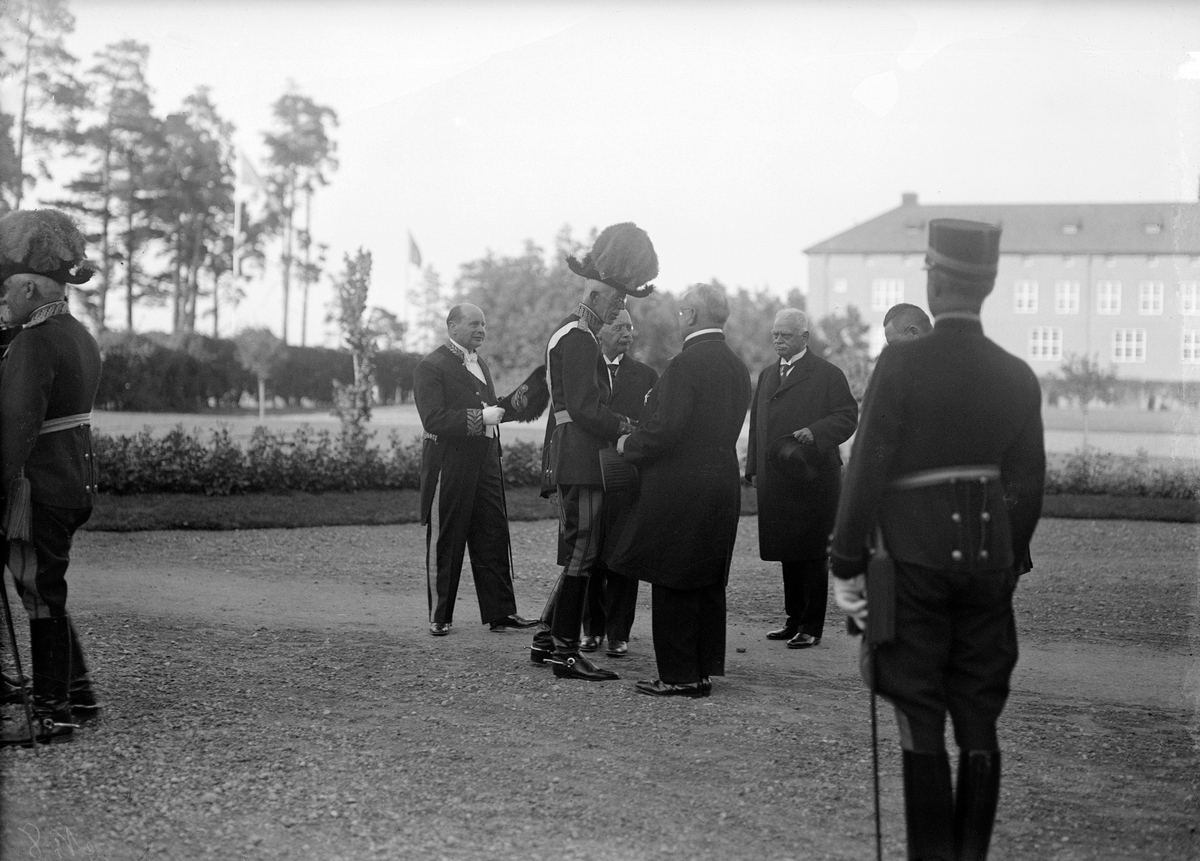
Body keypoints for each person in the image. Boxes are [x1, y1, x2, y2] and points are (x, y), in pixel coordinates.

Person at [829, 218, 1046, 861]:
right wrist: (1004, 564)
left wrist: (845, 563)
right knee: (979, 715)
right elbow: (1027, 490)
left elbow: (865, 467)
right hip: (989, 568)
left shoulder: (901, 363)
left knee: (918, 712)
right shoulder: (1017, 375)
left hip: (912, 564)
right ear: (990, 283)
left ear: (936, 277)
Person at [607, 284, 750, 697]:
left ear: (689, 315)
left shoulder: (685, 364)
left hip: (682, 484)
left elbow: (665, 429)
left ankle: (678, 674)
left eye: (681, 311)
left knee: (673, 577)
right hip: (721, 480)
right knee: (705, 578)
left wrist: (627, 445)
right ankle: (702, 669)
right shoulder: (737, 366)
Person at [530, 222, 656, 682]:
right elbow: (585, 408)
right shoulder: (580, 337)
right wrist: (624, 425)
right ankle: (566, 650)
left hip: (575, 454)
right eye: (618, 302)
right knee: (582, 552)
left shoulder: (569, 331)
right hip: (581, 456)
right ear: (598, 296)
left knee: (578, 551)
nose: (619, 310)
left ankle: (547, 637)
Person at [0, 209, 103, 746]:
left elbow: (15, 428)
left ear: (35, 286)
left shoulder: (34, 341)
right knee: (45, 590)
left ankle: (53, 711)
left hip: (38, 487)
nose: (3, 302)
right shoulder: (77, 334)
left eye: (9, 291)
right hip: (70, 481)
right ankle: (77, 695)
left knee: (40, 595)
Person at [413, 303, 538, 636]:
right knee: (447, 538)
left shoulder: (480, 362)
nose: (481, 329)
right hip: (449, 463)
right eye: (473, 324)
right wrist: (480, 417)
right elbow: (433, 419)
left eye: (483, 324)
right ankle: (440, 615)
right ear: (452, 326)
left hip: (484, 459)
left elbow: (491, 407)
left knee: (493, 534)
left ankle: (501, 613)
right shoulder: (431, 365)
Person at [745, 308, 857, 650]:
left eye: (786, 335)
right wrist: (752, 468)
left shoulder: (827, 374)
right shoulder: (766, 375)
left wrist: (816, 431)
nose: (778, 340)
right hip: (777, 478)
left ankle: (811, 626)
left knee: (811, 554)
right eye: (775, 334)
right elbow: (757, 428)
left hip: (813, 479)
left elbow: (847, 416)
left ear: (804, 338)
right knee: (787, 551)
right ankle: (793, 620)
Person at [580, 309, 657, 658]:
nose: (628, 332)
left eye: (630, 327)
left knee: (624, 553)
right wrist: (553, 479)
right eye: (619, 326)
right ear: (602, 330)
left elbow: (653, 425)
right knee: (587, 552)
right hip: (587, 471)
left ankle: (618, 633)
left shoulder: (646, 375)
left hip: (627, 472)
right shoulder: (582, 370)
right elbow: (562, 424)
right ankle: (591, 629)